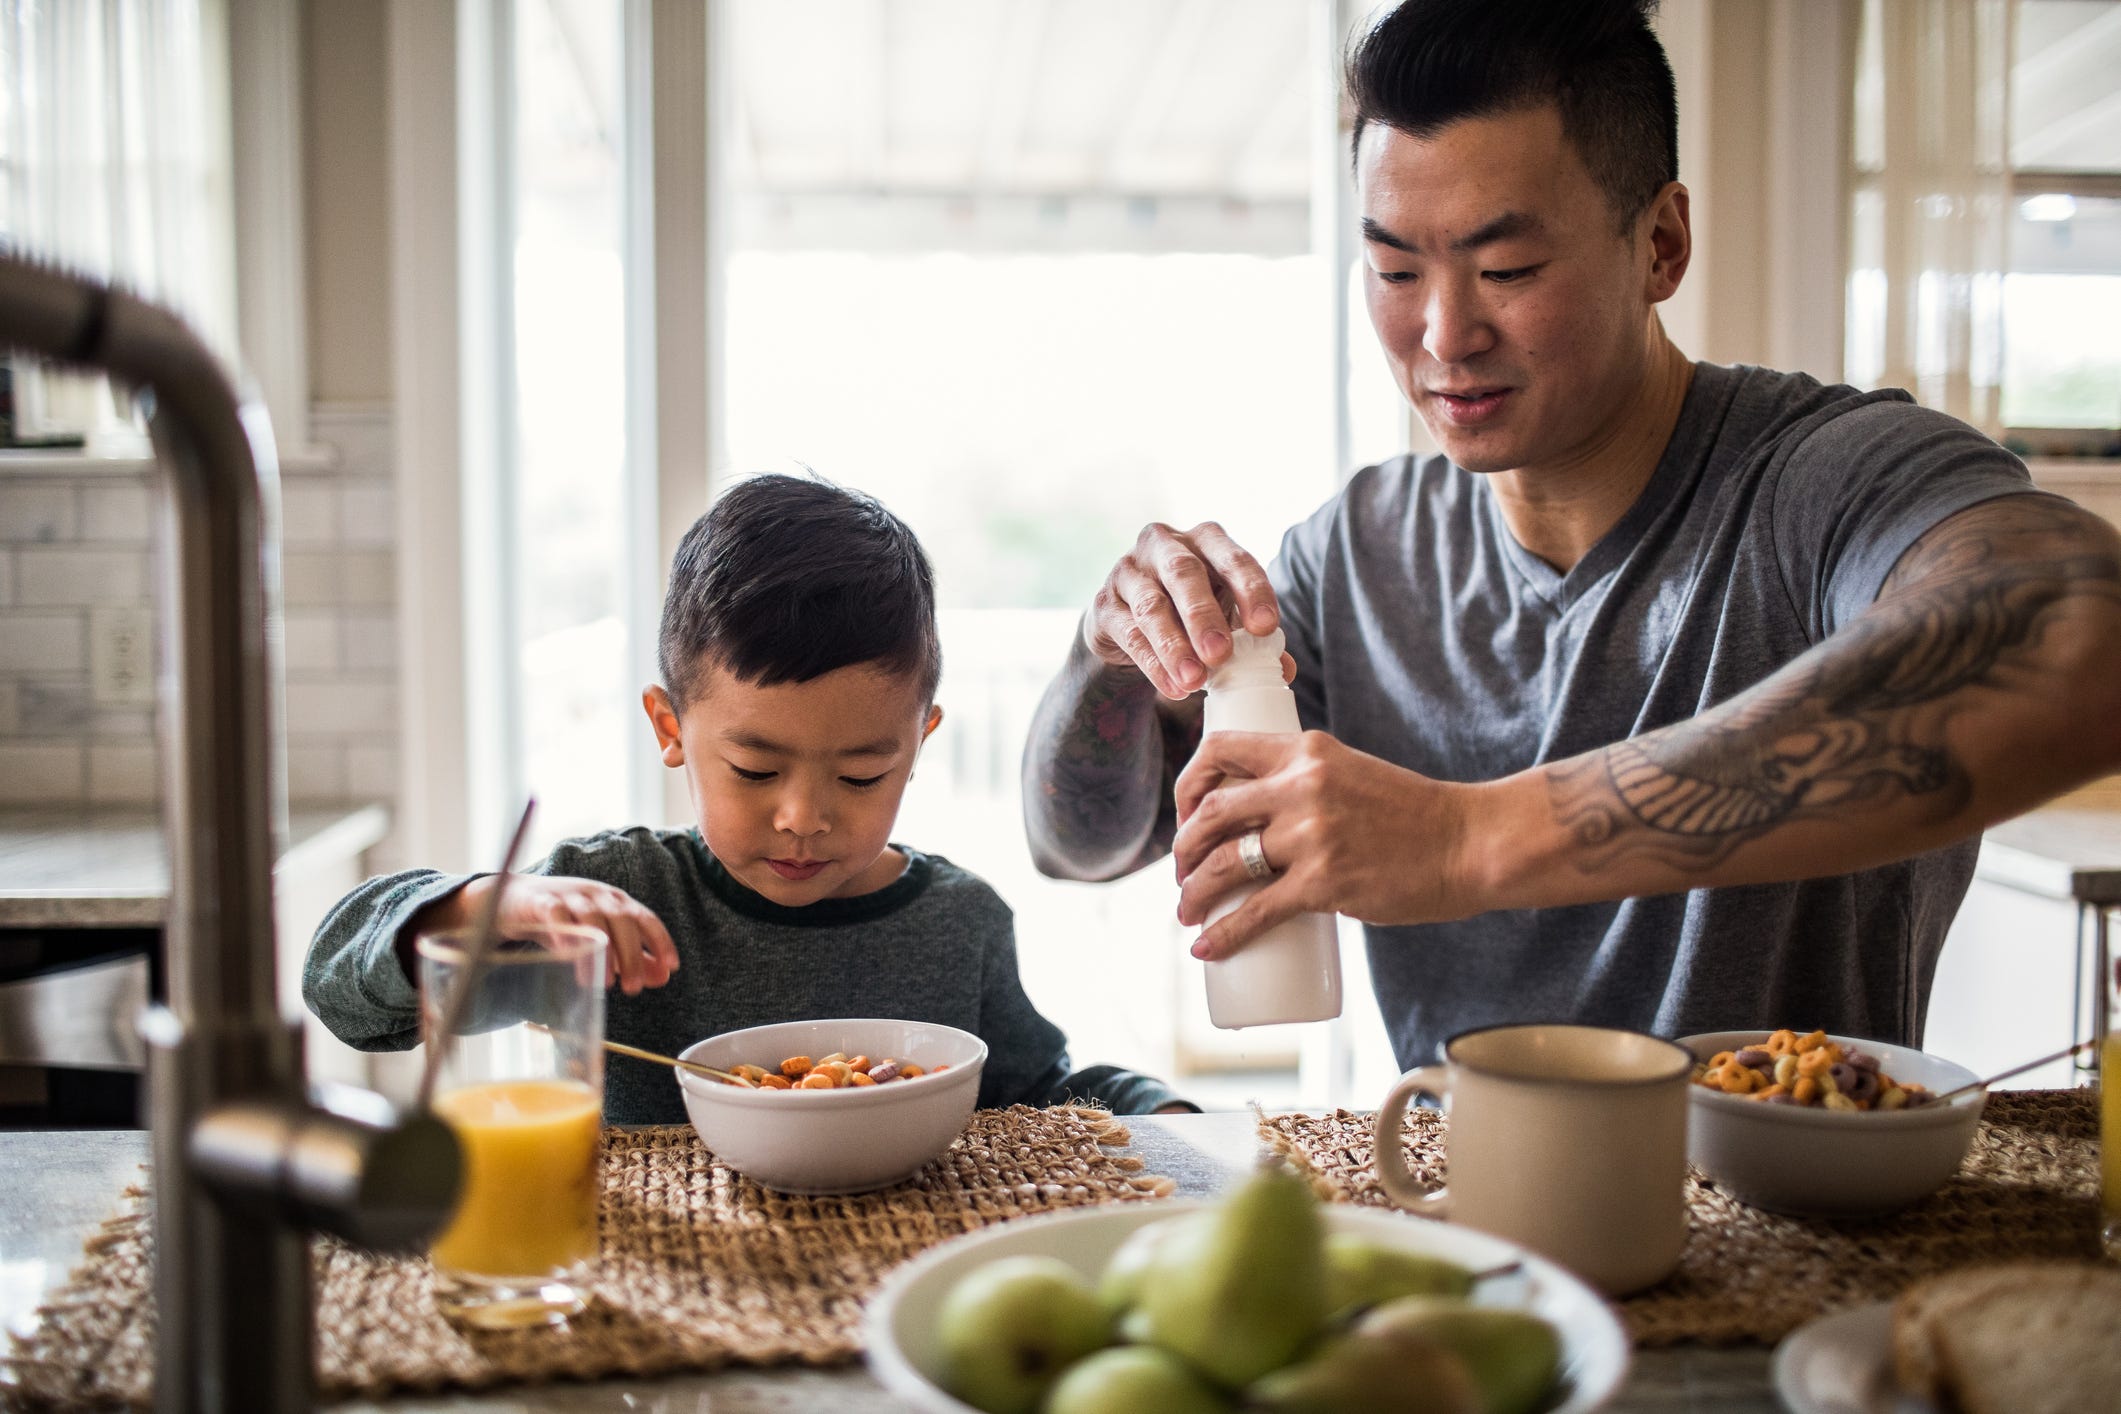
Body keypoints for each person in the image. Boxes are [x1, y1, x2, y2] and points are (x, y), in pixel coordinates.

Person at [1021, 0, 2121, 1077]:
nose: (1444, 336)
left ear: (1662, 243)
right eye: (1398, 271)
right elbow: (1078, 844)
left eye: (1506, 270)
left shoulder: (1821, 482)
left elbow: (2084, 642)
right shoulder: (1359, 556)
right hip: (1460, 1226)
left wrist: (1466, 841)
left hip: (1799, 1227)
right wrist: (1103, 657)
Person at [308, 473, 1190, 1123]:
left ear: (918, 744)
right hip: (656, 1283)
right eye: (756, 770)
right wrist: (483, 906)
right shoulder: (607, 907)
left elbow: (1038, 1094)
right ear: (669, 729)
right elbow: (345, 995)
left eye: (859, 775)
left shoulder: (959, 924)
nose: (803, 816)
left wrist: (1166, 1115)